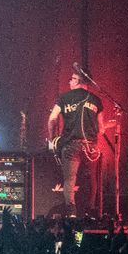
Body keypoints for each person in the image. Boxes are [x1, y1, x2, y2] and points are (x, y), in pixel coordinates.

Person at [47, 69, 105, 217]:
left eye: (72, 78)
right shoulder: (96, 100)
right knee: (91, 179)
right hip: (91, 147)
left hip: (71, 145)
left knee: (69, 180)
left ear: (79, 81)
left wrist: (52, 139)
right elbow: (101, 129)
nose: (69, 81)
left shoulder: (64, 98)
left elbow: (52, 119)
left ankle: (71, 214)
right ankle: (91, 211)